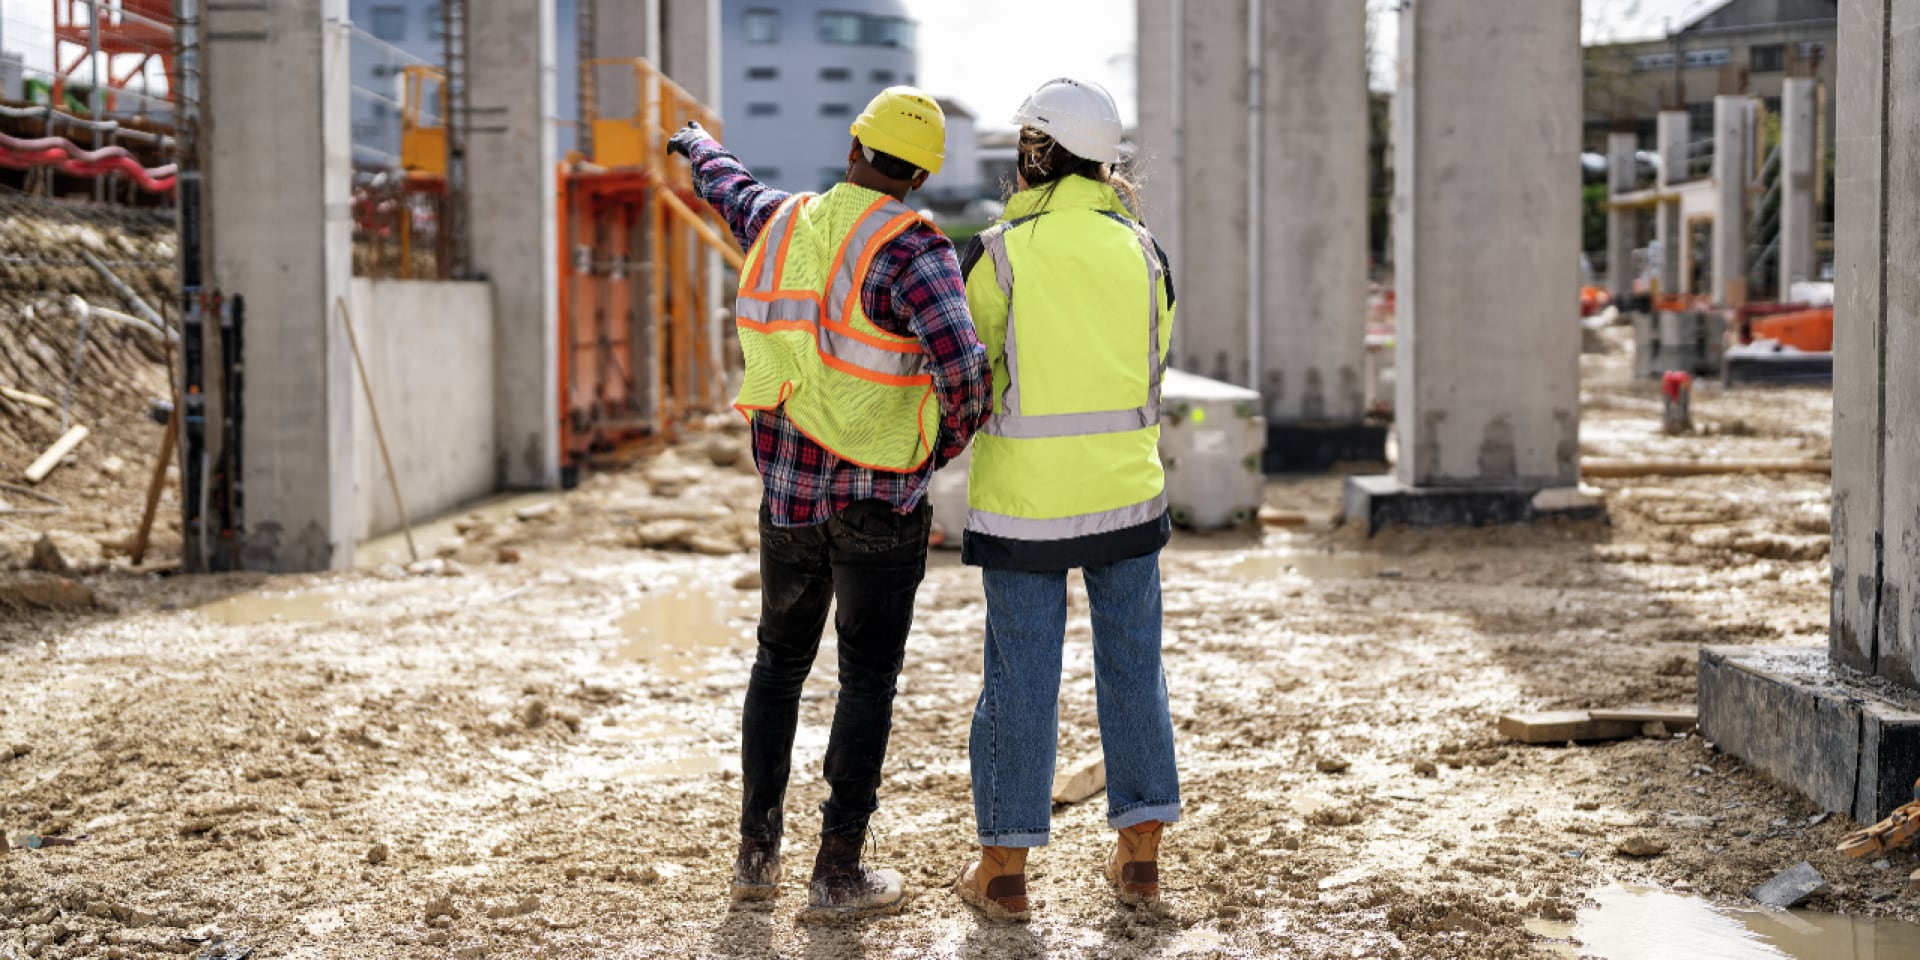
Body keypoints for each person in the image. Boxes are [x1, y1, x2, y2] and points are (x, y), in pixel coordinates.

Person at [667, 87, 992, 919]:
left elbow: (730, 186)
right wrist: (937, 451)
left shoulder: (784, 222)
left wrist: (695, 144)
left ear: (854, 146)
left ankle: (755, 857)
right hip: (882, 504)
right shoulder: (916, 251)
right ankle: (837, 871)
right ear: (920, 174)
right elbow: (964, 372)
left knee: (777, 667)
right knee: (867, 680)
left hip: (789, 501)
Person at [951, 78, 1180, 922]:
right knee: (1133, 673)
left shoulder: (1001, 252)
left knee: (1019, 682)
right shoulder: (1144, 251)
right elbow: (1154, 361)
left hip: (1024, 507)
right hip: (1126, 498)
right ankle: (1141, 863)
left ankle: (1004, 873)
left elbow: (974, 377)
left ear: (1038, 154)